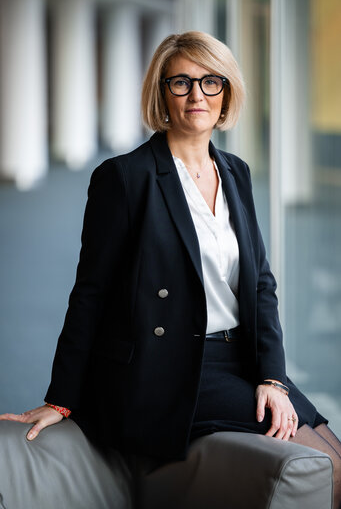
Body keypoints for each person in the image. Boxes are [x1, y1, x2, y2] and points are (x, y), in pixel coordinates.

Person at [1, 30, 340, 507]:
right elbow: (90, 293)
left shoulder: (236, 172)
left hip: (238, 361)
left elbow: (261, 284)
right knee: (321, 470)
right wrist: (61, 399)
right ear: (162, 94)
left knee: (336, 464)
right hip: (170, 368)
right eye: (180, 83)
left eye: (210, 82)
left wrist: (272, 378)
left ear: (227, 93)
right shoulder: (124, 178)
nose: (196, 95)